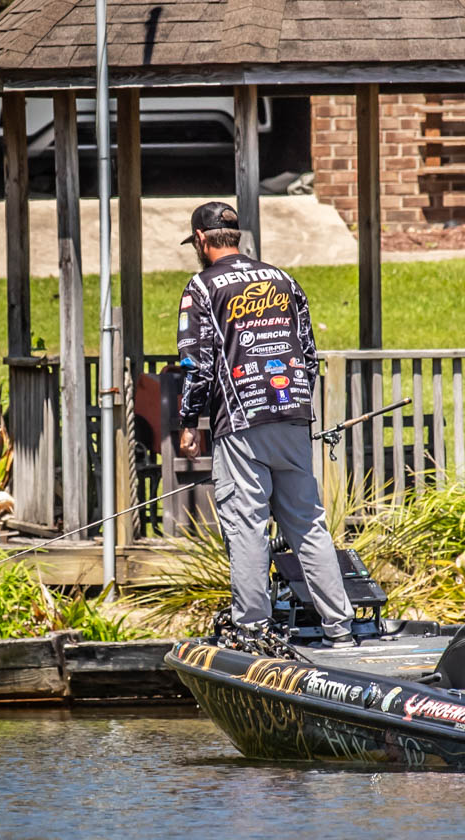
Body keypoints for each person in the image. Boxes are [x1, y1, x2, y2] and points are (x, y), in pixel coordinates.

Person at [175, 201, 357, 649]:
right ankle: (341, 629)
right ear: (236, 236)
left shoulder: (202, 287)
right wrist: (295, 403)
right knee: (308, 524)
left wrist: (189, 422)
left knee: (247, 525)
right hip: (292, 413)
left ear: (200, 239)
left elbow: (196, 364)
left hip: (241, 420)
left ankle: (252, 631)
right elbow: (309, 355)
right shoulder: (284, 280)